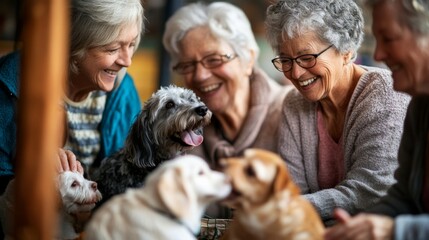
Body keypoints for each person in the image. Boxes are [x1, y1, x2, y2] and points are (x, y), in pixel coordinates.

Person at [264, 0, 411, 225]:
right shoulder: (294, 104)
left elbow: (370, 192)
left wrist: (284, 208)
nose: (295, 72)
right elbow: (291, 189)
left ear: (346, 51)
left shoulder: (385, 95)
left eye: (307, 57)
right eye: (285, 59)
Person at [0, 0, 144, 189]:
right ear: (72, 45)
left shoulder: (123, 90)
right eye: (113, 49)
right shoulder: (10, 85)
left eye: (131, 44)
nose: (127, 61)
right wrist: (32, 167)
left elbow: (131, 181)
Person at [324, 0, 429, 239]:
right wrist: (358, 227)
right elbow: (403, 198)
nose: (378, 54)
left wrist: (395, 231)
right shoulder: (420, 106)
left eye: (389, 38)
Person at [162, 2, 291, 170]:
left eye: (214, 59)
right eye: (187, 65)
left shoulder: (291, 113)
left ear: (248, 59)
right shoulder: (181, 132)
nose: (200, 76)